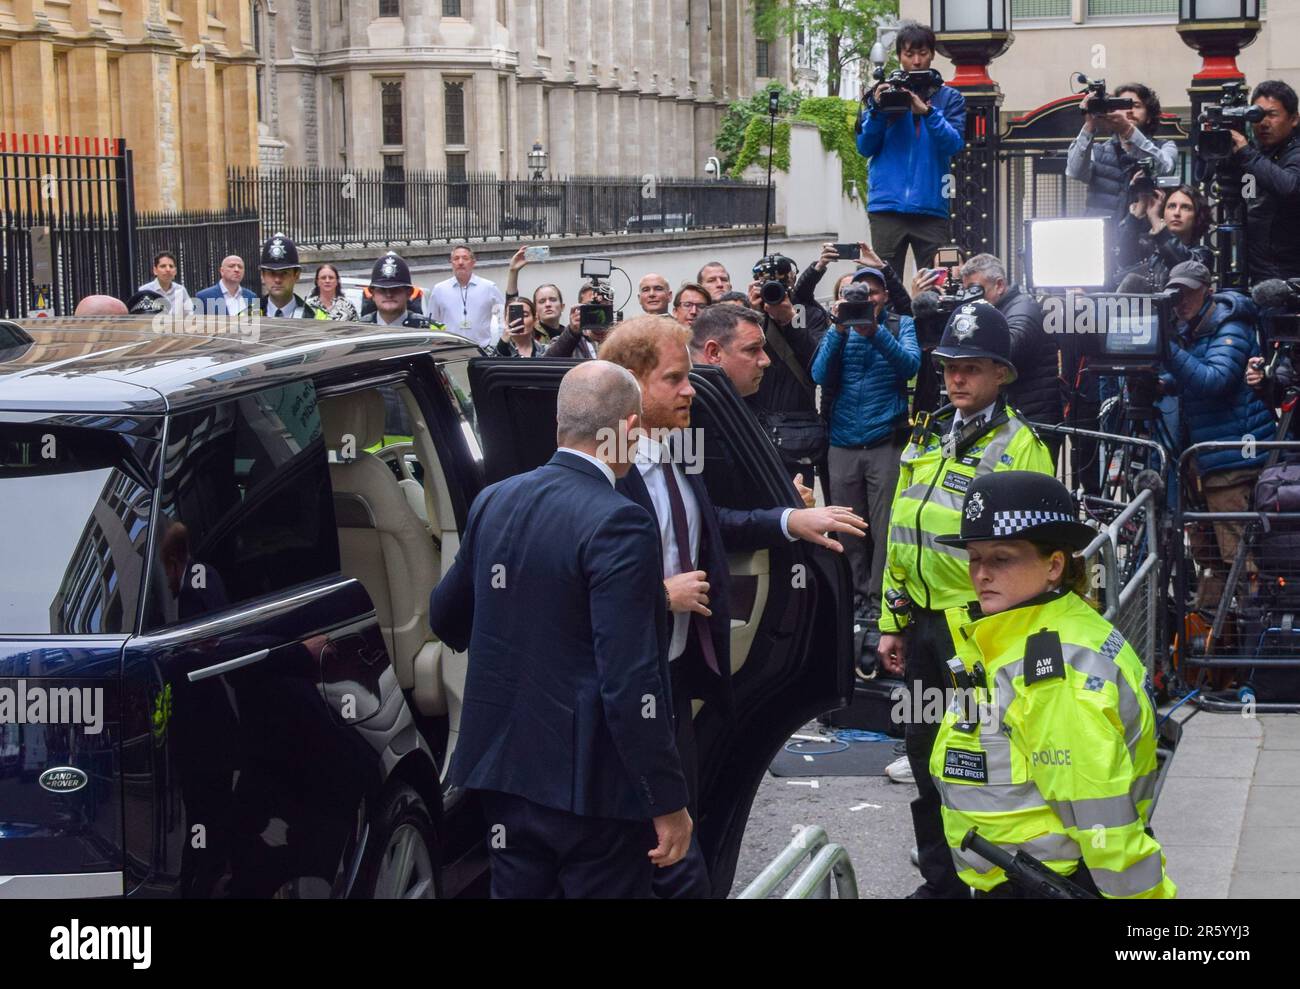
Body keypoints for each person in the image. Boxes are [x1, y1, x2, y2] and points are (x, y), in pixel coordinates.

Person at [599, 316, 867, 897]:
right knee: (651, 847)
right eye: (675, 378)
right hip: (621, 686)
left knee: (683, 823)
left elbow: (710, 526)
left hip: (672, 677)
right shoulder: (602, 477)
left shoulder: (674, 452)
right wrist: (658, 597)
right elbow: (571, 585)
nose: (692, 390)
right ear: (630, 386)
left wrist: (790, 520)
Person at [428, 360, 691, 898]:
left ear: (559, 427)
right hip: (590, 788)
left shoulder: (495, 499)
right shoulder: (620, 520)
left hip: (501, 772)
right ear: (629, 431)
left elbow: (445, 616)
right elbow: (629, 680)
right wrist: (667, 801)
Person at [876, 301, 1054, 898]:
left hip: (981, 637)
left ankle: (990, 883)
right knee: (926, 760)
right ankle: (941, 882)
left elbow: (1033, 557)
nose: (956, 378)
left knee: (981, 767)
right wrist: (892, 622)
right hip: (924, 633)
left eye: (972, 368)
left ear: (1001, 373)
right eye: (950, 365)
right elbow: (901, 536)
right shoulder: (927, 433)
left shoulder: (1021, 445)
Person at [930, 471, 1177, 899]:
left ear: (1054, 566)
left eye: (1001, 558)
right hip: (1030, 875)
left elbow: (1100, 816)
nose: (982, 574)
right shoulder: (1033, 633)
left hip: (1049, 882)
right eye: (974, 557)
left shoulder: (1051, 670)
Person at [1159, 261, 1276, 611]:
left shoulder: (1232, 326)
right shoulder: (1190, 329)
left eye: (1188, 293)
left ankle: (1252, 637)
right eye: (1175, 293)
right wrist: (1159, 382)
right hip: (1206, 462)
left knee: (1240, 558)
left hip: (1234, 462)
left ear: (1207, 290)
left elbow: (1214, 381)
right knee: (1211, 556)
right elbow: (1189, 381)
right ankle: (1217, 636)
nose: (1181, 301)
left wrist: (1166, 349)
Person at [812, 267, 920, 635]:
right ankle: (855, 595)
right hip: (842, 441)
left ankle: (878, 600)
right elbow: (819, 374)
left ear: (885, 296)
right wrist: (839, 329)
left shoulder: (899, 324)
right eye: (858, 293)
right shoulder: (838, 327)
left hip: (883, 441)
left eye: (873, 292)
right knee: (847, 527)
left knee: (884, 525)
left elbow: (910, 365)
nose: (866, 298)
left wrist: (874, 333)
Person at [856, 21, 967, 277]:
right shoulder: (883, 94)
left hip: (931, 207)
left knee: (937, 283)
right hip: (886, 207)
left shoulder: (949, 98)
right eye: (909, 54)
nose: (916, 61)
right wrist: (877, 110)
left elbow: (953, 144)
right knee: (885, 283)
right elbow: (865, 146)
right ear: (899, 57)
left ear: (932, 54)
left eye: (923, 53)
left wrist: (928, 112)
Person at [688, 304, 816, 509]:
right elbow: (708, 513)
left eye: (763, 348)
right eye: (752, 349)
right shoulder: (690, 416)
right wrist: (784, 515)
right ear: (713, 352)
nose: (765, 360)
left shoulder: (728, 404)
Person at [958, 254, 1063, 455]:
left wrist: (974, 322)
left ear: (999, 285)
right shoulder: (999, 308)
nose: (971, 298)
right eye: (967, 291)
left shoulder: (1023, 307)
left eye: (976, 290)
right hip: (1016, 416)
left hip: (1033, 421)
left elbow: (1011, 348)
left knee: (1029, 484)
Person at [745, 254, 829, 483]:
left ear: (792, 280)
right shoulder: (744, 314)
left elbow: (817, 363)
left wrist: (790, 320)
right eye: (766, 284)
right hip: (756, 419)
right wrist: (753, 315)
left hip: (798, 427)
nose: (774, 290)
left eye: (781, 283)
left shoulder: (809, 313)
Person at [1066, 82, 1178, 221]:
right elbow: (1075, 172)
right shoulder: (1098, 150)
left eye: (1136, 106)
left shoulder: (1165, 146)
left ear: (1149, 116)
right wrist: (1089, 125)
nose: (1129, 111)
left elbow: (1164, 168)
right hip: (1103, 234)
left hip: (1144, 235)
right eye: (1123, 105)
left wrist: (1128, 131)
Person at [1229, 80, 1300, 283]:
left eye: (1272, 114)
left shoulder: (1294, 152)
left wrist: (1246, 154)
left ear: (1294, 119)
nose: (1263, 122)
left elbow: (1289, 187)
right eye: (1258, 115)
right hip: (1256, 273)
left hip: (1288, 277)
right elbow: (1248, 197)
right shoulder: (1258, 156)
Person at [1115, 183, 1214, 294]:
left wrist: (1156, 220)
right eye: (1171, 206)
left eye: (1185, 207)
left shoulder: (1203, 255)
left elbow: (1185, 267)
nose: (1176, 213)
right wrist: (1135, 217)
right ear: (1164, 213)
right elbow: (1124, 259)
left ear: (1197, 216)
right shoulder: (1153, 253)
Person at [425, 243, 505, 349]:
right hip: (450, 351)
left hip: (482, 349)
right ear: (451, 263)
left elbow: (503, 318)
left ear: (473, 262)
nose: (460, 262)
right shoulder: (439, 289)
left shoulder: (489, 287)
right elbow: (432, 322)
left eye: (465, 258)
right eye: (456, 258)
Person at [256, 234, 328, 320]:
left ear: (297, 275)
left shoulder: (317, 317)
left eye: (284, 273)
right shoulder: (247, 316)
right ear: (262, 275)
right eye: (271, 273)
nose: (277, 279)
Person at [359, 252, 432, 329]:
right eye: (382, 290)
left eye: (395, 289)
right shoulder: (358, 330)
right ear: (373, 294)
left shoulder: (429, 330)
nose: (389, 294)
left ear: (409, 293)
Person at [546, 283, 615, 359]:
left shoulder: (620, 338)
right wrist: (572, 332)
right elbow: (548, 362)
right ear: (579, 309)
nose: (596, 311)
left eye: (602, 306)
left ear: (612, 308)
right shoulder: (569, 340)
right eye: (590, 306)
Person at [138, 251, 194, 316]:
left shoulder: (181, 290)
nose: (168, 269)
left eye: (171, 266)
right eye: (163, 266)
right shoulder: (144, 291)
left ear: (175, 271)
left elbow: (190, 314)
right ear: (155, 271)